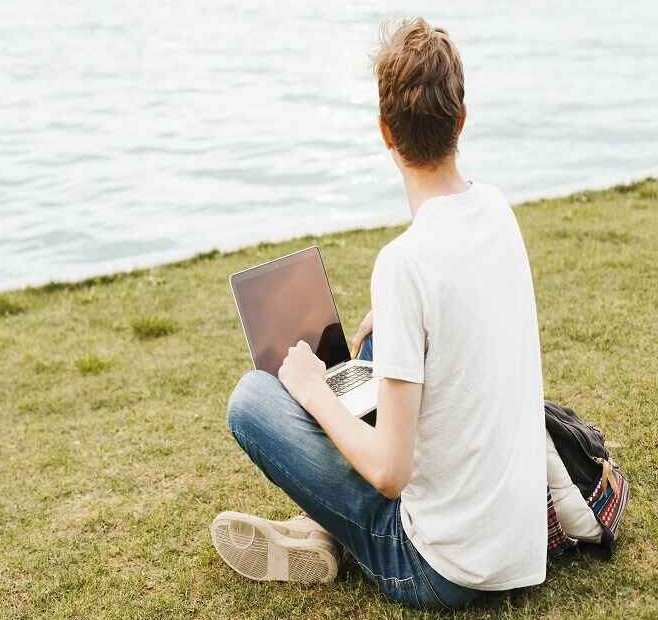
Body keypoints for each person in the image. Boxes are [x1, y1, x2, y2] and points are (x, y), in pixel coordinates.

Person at [211, 17, 547, 610]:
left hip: (440, 568)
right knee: (370, 355)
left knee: (252, 402)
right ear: (461, 119)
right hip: (517, 547)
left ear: (384, 131)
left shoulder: (404, 263)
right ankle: (322, 529)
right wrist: (395, 323)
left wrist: (313, 392)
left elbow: (392, 474)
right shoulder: (497, 210)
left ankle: (330, 531)